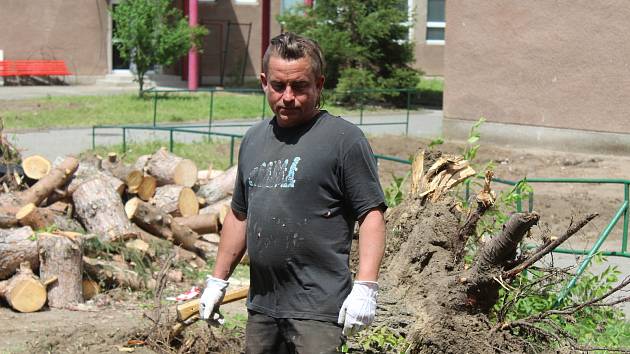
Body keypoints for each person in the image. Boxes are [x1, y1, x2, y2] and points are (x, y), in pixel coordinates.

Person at [199, 32, 387, 354]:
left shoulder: (343, 140)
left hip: (317, 309)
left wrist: (366, 286)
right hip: (263, 305)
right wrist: (217, 279)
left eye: (299, 86)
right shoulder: (254, 140)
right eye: (278, 86)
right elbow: (240, 215)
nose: (288, 97)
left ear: (319, 84)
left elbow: (371, 214)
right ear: (263, 82)